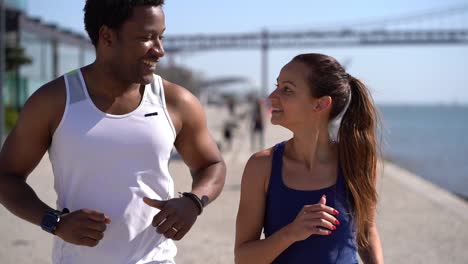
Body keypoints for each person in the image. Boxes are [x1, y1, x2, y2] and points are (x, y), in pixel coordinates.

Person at [0, 0, 226, 263]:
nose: (160, 50)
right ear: (107, 36)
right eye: (146, 38)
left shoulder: (177, 101)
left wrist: (194, 202)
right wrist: (54, 222)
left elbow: (212, 164)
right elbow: (7, 176)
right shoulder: (53, 100)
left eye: (161, 37)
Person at [235, 53, 384, 263]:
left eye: (287, 89)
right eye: (277, 86)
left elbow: (366, 234)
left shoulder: (358, 162)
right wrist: (291, 233)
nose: (271, 97)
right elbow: (243, 259)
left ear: (321, 104)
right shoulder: (261, 166)